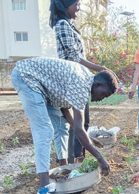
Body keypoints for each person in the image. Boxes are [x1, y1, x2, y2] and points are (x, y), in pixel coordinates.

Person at [11, 57, 118, 194]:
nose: (102, 99)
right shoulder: (82, 85)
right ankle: (44, 192)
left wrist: (89, 139)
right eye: (104, 94)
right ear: (98, 84)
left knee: (61, 127)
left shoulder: (84, 79)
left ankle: (62, 168)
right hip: (27, 78)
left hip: (41, 86)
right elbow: (80, 130)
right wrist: (100, 158)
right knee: (44, 130)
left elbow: (65, 110)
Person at [50, 0, 111, 164]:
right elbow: (74, 58)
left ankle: (79, 158)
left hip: (78, 79)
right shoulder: (62, 24)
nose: (79, 8)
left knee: (83, 122)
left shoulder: (69, 25)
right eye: (76, 4)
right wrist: (101, 68)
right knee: (73, 125)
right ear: (65, 5)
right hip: (70, 80)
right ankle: (72, 161)